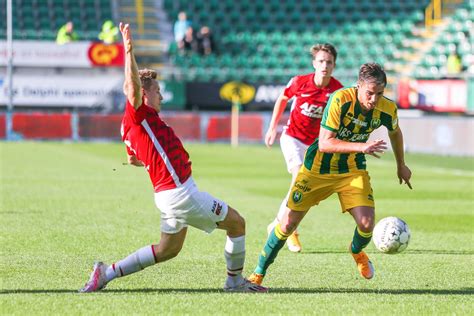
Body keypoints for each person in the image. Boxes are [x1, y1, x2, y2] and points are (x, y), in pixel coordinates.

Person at [79, 23, 268, 293]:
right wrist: (129, 50)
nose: (162, 95)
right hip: (180, 193)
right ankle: (234, 282)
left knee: (168, 250)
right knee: (237, 224)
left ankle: (106, 274)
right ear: (143, 95)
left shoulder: (133, 124)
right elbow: (131, 88)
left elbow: (133, 159)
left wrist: (151, 159)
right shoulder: (138, 113)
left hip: (169, 193)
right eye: (157, 91)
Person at [249, 63, 412, 285]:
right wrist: (361, 147)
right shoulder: (340, 99)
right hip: (317, 168)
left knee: (366, 224)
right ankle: (258, 273)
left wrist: (400, 164)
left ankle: (357, 252)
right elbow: (325, 143)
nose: (374, 99)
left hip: (352, 169)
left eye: (380, 93)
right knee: (287, 225)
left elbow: (395, 131)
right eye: (370, 93)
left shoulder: (387, 108)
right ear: (358, 87)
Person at [264, 44, 343, 253]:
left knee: (305, 189)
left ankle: (278, 224)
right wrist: (272, 127)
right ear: (314, 63)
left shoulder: (337, 90)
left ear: (334, 65)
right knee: (299, 177)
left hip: (316, 146)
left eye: (329, 62)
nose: (325, 65)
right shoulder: (299, 82)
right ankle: (290, 231)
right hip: (293, 138)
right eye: (321, 61)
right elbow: (282, 98)